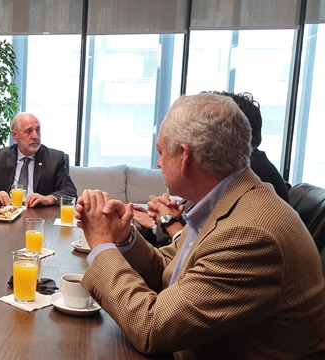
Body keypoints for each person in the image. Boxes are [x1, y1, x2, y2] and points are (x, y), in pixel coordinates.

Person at [76, 93, 325, 358]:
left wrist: (102, 245)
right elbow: (169, 271)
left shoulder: (250, 234)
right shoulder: (228, 200)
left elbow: (150, 328)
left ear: (184, 156)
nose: (159, 163)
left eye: (161, 152)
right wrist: (124, 238)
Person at [134, 91, 290, 247]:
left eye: (162, 152)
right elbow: (178, 259)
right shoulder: (233, 182)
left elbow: (191, 254)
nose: (159, 163)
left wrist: (167, 222)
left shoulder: (245, 226)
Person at [0, 112, 77, 207]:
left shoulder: (55, 159)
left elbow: (70, 191)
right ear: (15, 135)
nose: (35, 136)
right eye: (29, 131)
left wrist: (48, 199)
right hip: (7, 215)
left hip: (40, 218)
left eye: (37, 130)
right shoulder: (0, 157)